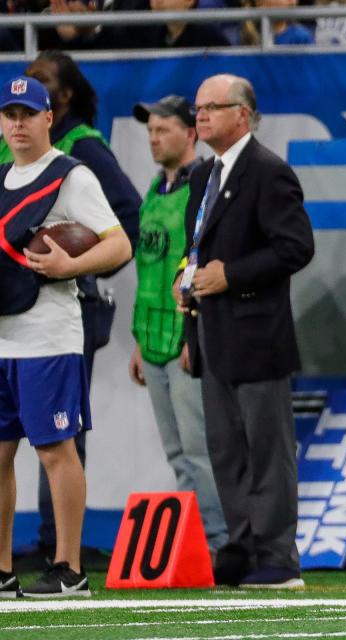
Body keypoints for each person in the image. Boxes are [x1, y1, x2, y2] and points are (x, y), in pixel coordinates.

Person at [0, 49, 142, 562]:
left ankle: (67, 564)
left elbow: (121, 242)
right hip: (4, 334)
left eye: (26, 114)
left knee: (55, 449)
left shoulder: (72, 171)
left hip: (50, 331)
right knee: (1, 456)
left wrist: (70, 268)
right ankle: (2, 569)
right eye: (8, 115)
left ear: (48, 117)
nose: (17, 125)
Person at [173, 74, 314, 588]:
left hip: (258, 336)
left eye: (214, 106)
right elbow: (197, 252)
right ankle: (242, 547)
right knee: (226, 451)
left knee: (266, 451)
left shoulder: (269, 172)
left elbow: (296, 248)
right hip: (212, 333)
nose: (201, 115)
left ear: (244, 115)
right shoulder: (201, 177)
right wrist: (185, 287)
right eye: (198, 106)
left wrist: (229, 274)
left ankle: (278, 556)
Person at [128, 94, 228, 554]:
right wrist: (137, 342)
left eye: (163, 129)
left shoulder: (201, 187)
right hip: (152, 338)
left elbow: (200, 264)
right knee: (176, 452)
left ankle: (220, 542)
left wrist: (198, 333)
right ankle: (196, 546)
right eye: (150, 130)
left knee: (199, 449)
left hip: (185, 335)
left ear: (190, 133)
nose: (153, 137)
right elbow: (151, 270)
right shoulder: (156, 188)